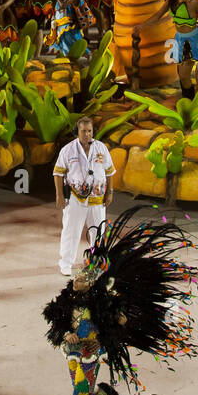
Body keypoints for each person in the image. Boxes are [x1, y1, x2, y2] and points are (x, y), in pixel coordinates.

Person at [43, 207, 197, 395]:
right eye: (78, 274)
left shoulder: (104, 303)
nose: (77, 277)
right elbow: (57, 320)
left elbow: (120, 323)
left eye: (84, 277)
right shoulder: (68, 297)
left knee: (81, 389)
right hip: (72, 348)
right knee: (83, 385)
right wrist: (66, 334)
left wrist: (102, 340)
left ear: (92, 284)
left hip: (91, 349)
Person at [53, 115, 115, 277]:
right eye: (83, 131)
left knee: (98, 232)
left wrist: (110, 192)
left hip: (97, 199)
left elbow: (109, 171)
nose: (87, 134)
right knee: (71, 231)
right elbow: (58, 173)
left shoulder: (101, 148)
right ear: (77, 132)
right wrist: (59, 195)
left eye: (89, 131)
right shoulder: (68, 150)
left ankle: (96, 261)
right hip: (75, 198)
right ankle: (66, 263)